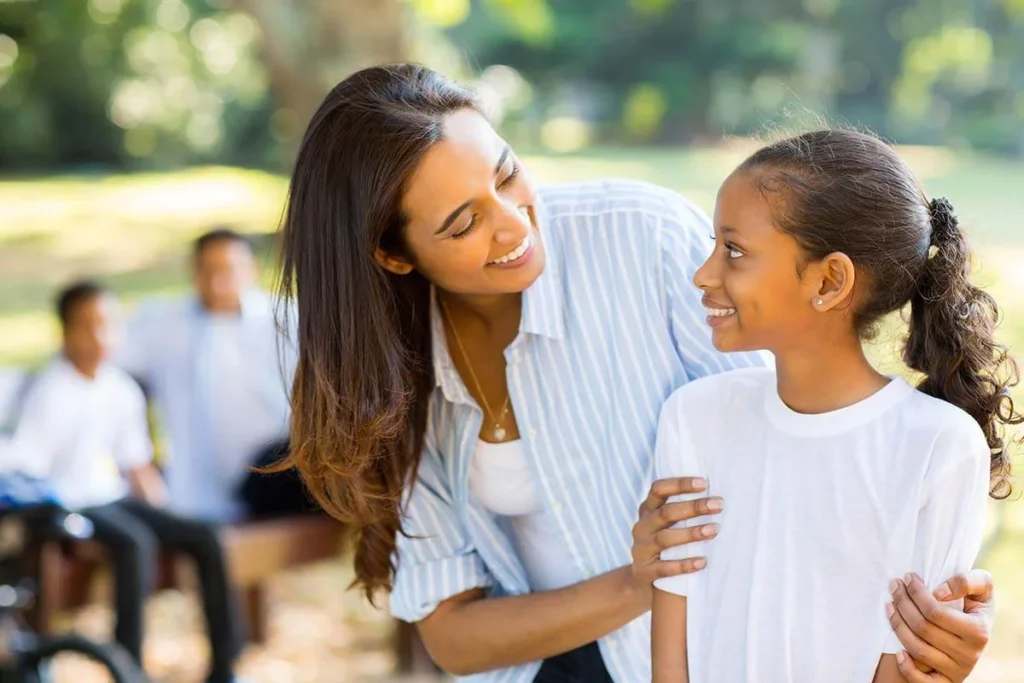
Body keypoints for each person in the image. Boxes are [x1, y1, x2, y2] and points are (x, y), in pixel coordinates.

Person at [275, 64, 998, 682]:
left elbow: (818, 464)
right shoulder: (391, 375)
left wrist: (934, 616)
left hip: (705, 650)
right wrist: (636, 579)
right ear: (394, 255)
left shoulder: (641, 238)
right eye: (462, 224)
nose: (513, 224)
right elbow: (453, 636)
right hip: (544, 661)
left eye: (505, 173)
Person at [648, 129, 1017, 683]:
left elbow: (910, 664)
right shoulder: (694, 416)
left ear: (830, 279)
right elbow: (672, 651)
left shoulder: (937, 446)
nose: (704, 274)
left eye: (734, 251)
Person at [0, 281, 244, 683]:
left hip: (110, 495)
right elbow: (30, 469)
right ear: (65, 332)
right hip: (68, 502)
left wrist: (167, 516)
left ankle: (225, 667)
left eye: (108, 324)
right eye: (87, 326)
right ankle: (129, 668)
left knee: (205, 536)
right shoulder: (51, 390)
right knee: (135, 541)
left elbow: (137, 466)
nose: (100, 336)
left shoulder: (119, 387)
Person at [118, 228, 308, 521]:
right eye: (207, 271)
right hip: (200, 480)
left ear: (251, 270)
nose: (218, 283)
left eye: (229, 270)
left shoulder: (288, 320)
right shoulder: (163, 325)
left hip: (283, 465)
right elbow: (106, 369)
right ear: (193, 273)